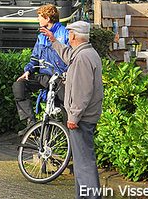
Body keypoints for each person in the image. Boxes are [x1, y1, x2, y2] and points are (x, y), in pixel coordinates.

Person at [43, 21, 104, 199]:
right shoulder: (86, 53)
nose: (67, 35)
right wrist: (54, 41)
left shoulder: (83, 58)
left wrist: (74, 116)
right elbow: (69, 57)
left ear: (73, 36)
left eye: (69, 33)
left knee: (84, 163)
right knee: (81, 162)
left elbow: (82, 91)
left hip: (82, 119)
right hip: (86, 117)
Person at [13, 4, 69, 135]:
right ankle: (31, 124)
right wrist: (28, 70)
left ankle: (70, 138)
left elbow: (70, 57)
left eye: (39, 16)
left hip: (60, 78)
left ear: (48, 18)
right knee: (19, 85)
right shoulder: (41, 36)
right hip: (44, 77)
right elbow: (34, 59)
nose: (38, 19)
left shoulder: (65, 33)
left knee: (66, 106)